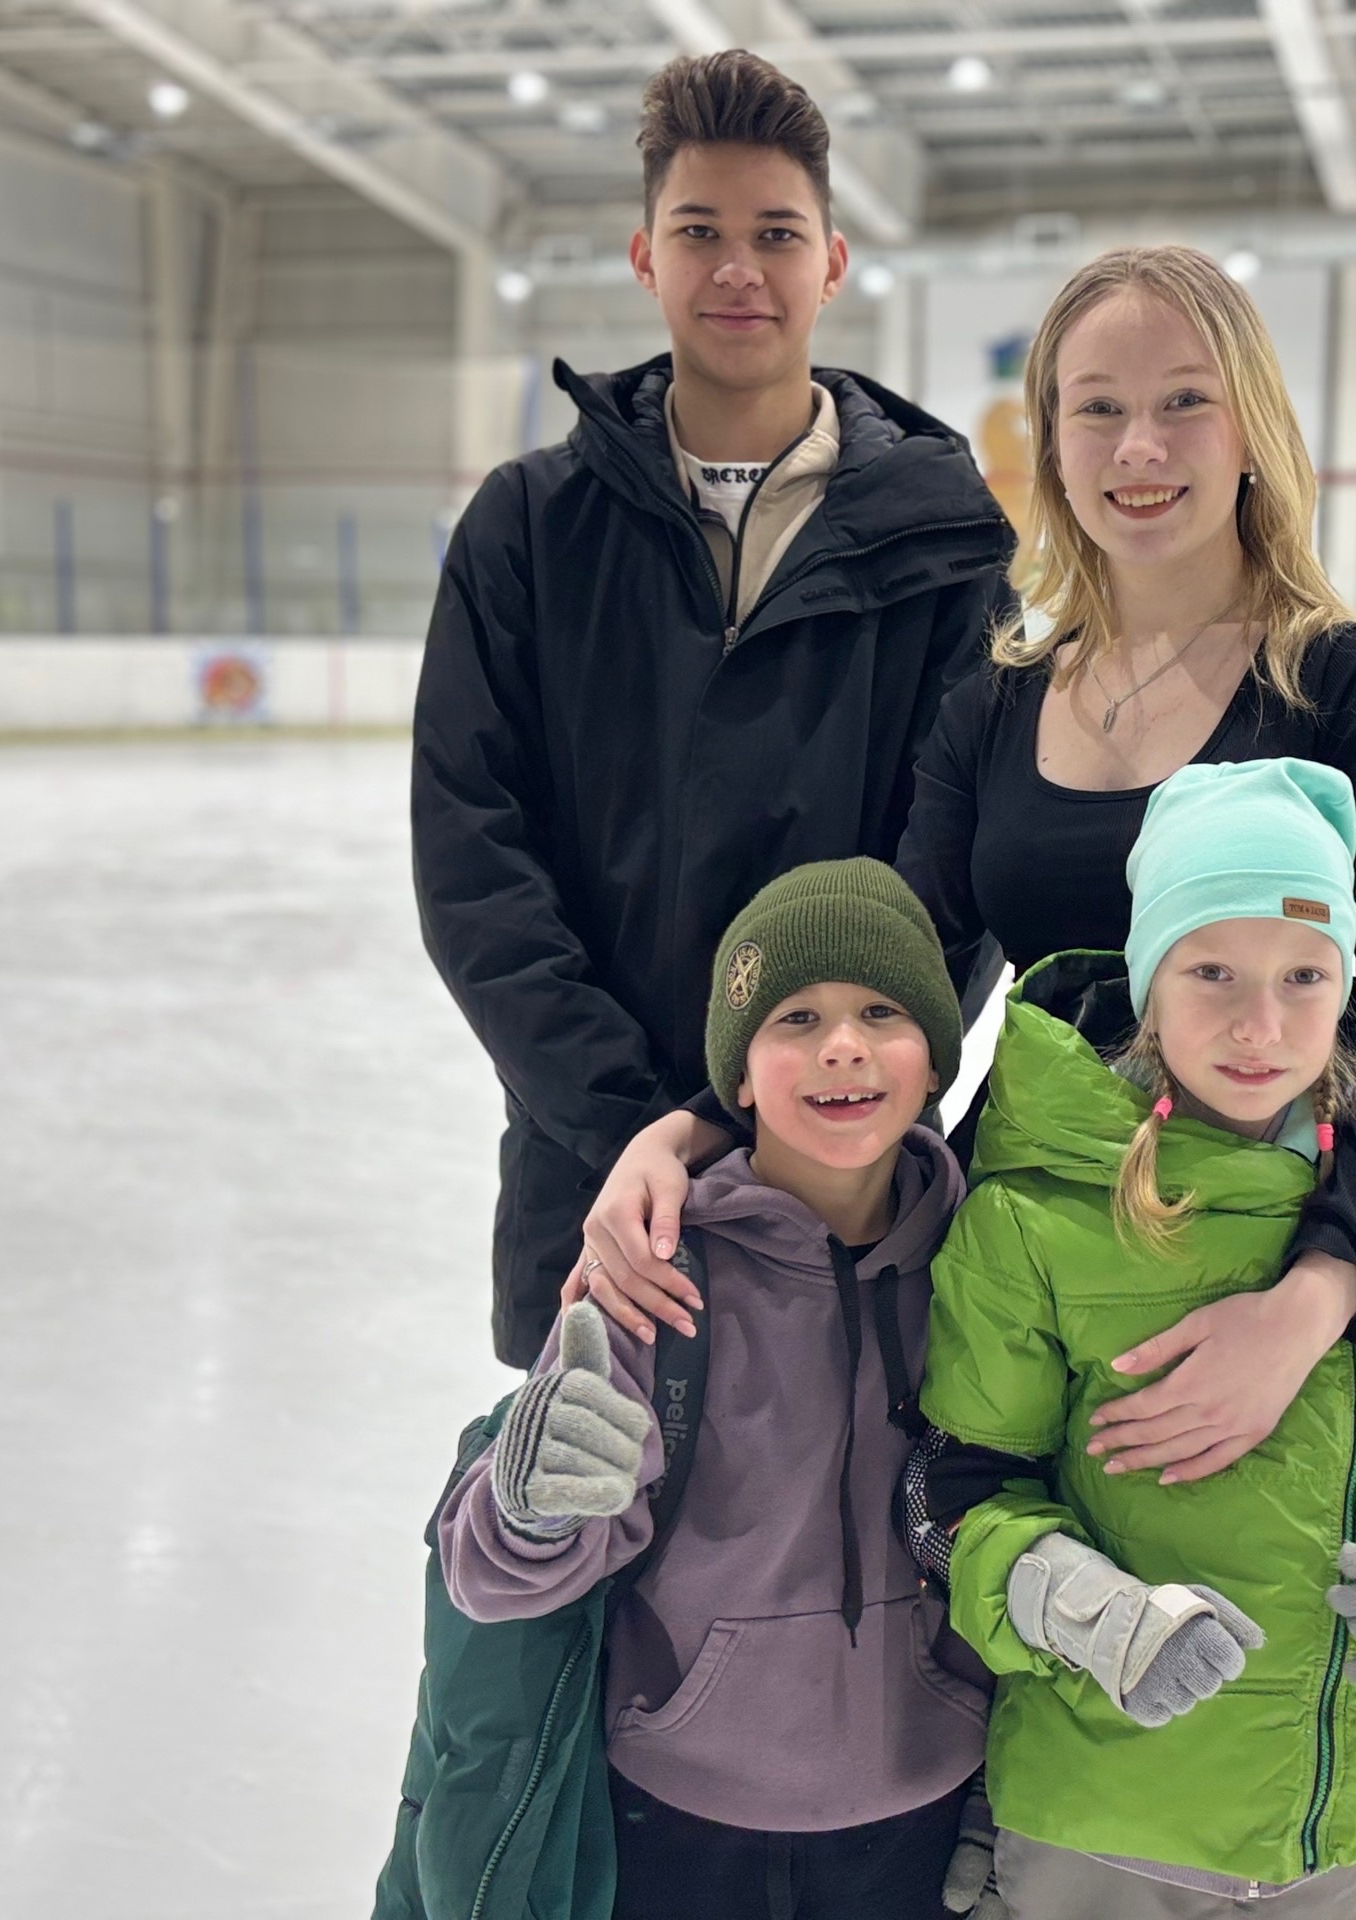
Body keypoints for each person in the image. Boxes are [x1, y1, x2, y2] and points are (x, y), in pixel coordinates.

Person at [580, 244, 1356, 1493]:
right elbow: (897, 973)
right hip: (1036, 1262)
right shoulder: (998, 702)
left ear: (1250, 429)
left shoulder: (1341, 683)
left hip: (1269, 1264)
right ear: (1053, 445)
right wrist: (688, 1128)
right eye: (1098, 408)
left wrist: (1310, 1301)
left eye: (1184, 400)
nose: (1139, 447)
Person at [411, 49, 1014, 1368]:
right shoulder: (529, 529)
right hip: (592, 1183)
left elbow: (953, 874)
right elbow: (474, 863)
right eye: (700, 232)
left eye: (776, 235)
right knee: (587, 1495)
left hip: (847, 1180)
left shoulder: (947, 547)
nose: (739, 268)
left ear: (833, 263)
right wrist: (633, 1122)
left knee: (839, 1493)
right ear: (645, 256)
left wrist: (797, 1110)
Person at [909, 759, 1356, 1917]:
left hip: (1347, 1824)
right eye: (1210, 971)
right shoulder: (1036, 1213)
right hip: (1103, 1824)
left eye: (1304, 976)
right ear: (1149, 981)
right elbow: (954, 1495)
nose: (1261, 1026)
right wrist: (1091, 1614)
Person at [432, 860, 988, 1920]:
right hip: (679, 1815)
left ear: (935, 1064)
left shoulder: (984, 1269)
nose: (842, 1045)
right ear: (737, 1077)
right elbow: (486, 1576)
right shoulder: (655, 1273)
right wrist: (535, 1503)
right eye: (795, 1018)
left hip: (918, 1807)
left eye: (882, 1012)